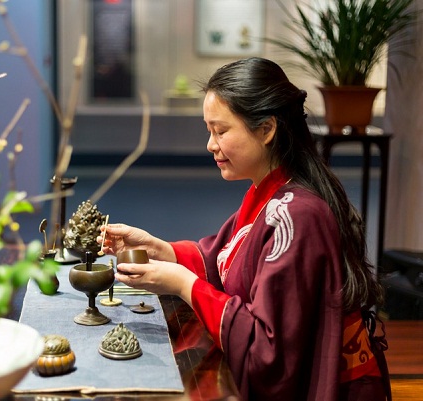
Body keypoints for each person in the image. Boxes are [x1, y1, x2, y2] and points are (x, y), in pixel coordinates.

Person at [98, 57, 390, 401]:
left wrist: (183, 284)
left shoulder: (296, 215)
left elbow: (269, 354)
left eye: (220, 131)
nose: (211, 144)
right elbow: (222, 257)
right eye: (209, 131)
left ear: (266, 129)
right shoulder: (271, 193)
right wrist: (159, 248)